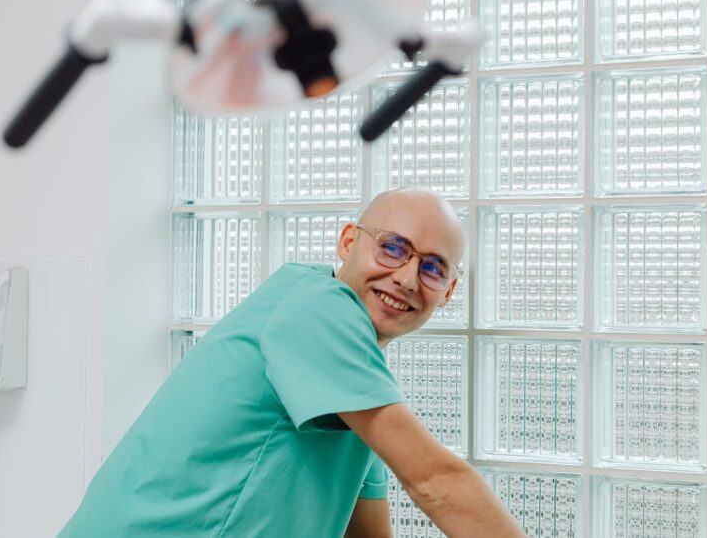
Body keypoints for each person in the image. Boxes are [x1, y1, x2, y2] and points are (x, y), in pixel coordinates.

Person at [59, 188, 525, 538]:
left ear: (448, 293)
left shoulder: (358, 384)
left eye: (433, 268)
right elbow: (434, 480)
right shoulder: (317, 310)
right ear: (348, 242)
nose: (406, 278)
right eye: (393, 248)